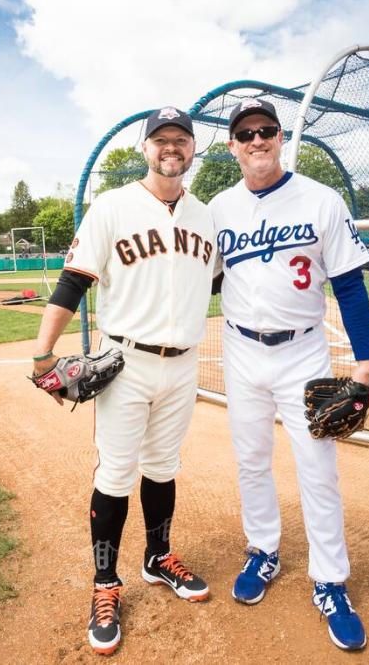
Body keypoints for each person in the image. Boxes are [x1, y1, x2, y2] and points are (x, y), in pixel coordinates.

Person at [32, 107, 215, 656]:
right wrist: (43, 356)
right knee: (115, 472)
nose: (171, 148)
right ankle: (105, 583)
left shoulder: (205, 216)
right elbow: (73, 282)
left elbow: (215, 285)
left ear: (191, 150)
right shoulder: (112, 207)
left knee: (163, 466)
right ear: (146, 149)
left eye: (180, 139)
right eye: (161, 140)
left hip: (183, 363)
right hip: (125, 362)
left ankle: (158, 558)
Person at [209, 99, 369, 651]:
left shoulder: (321, 199)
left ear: (280, 138)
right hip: (239, 349)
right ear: (232, 146)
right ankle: (264, 551)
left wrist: (365, 368)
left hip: (304, 354)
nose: (256, 140)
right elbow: (201, 282)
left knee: (317, 468)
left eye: (266, 131)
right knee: (251, 459)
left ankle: (330, 581)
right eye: (245, 133)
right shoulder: (218, 209)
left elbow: (349, 286)